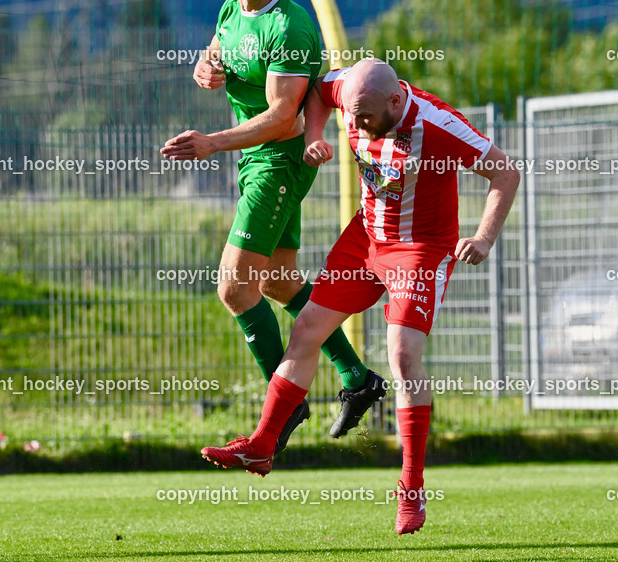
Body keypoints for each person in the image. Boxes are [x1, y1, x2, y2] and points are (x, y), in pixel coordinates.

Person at [202, 59, 520, 535]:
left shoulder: (438, 125)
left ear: (396, 101)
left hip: (419, 248)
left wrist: (484, 237)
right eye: (351, 115)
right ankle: (263, 444)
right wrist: (314, 134)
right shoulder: (350, 89)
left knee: (402, 355)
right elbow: (314, 92)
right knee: (307, 328)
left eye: (366, 117)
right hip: (366, 237)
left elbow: (505, 173)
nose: (356, 126)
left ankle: (411, 486)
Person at [161, 0, 386, 451]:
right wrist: (207, 67)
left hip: (278, 164)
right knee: (279, 283)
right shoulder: (229, 8)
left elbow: (285, 118)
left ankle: (284, 402)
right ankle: (358, 379)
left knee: (234, 289)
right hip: (254, 163)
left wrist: (212, 141)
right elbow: (217, 50)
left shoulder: (289, 27)